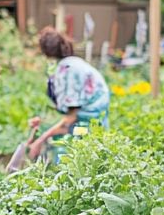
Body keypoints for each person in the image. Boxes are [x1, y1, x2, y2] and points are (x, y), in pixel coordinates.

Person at [28, 27, 110, 159]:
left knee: (71, 160)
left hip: (86, 126)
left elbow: (69, 119)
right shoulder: (72, 64)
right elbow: (66, 110)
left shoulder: (68, 70)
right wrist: (42, 123)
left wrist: (40, 140)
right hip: (93, 121)